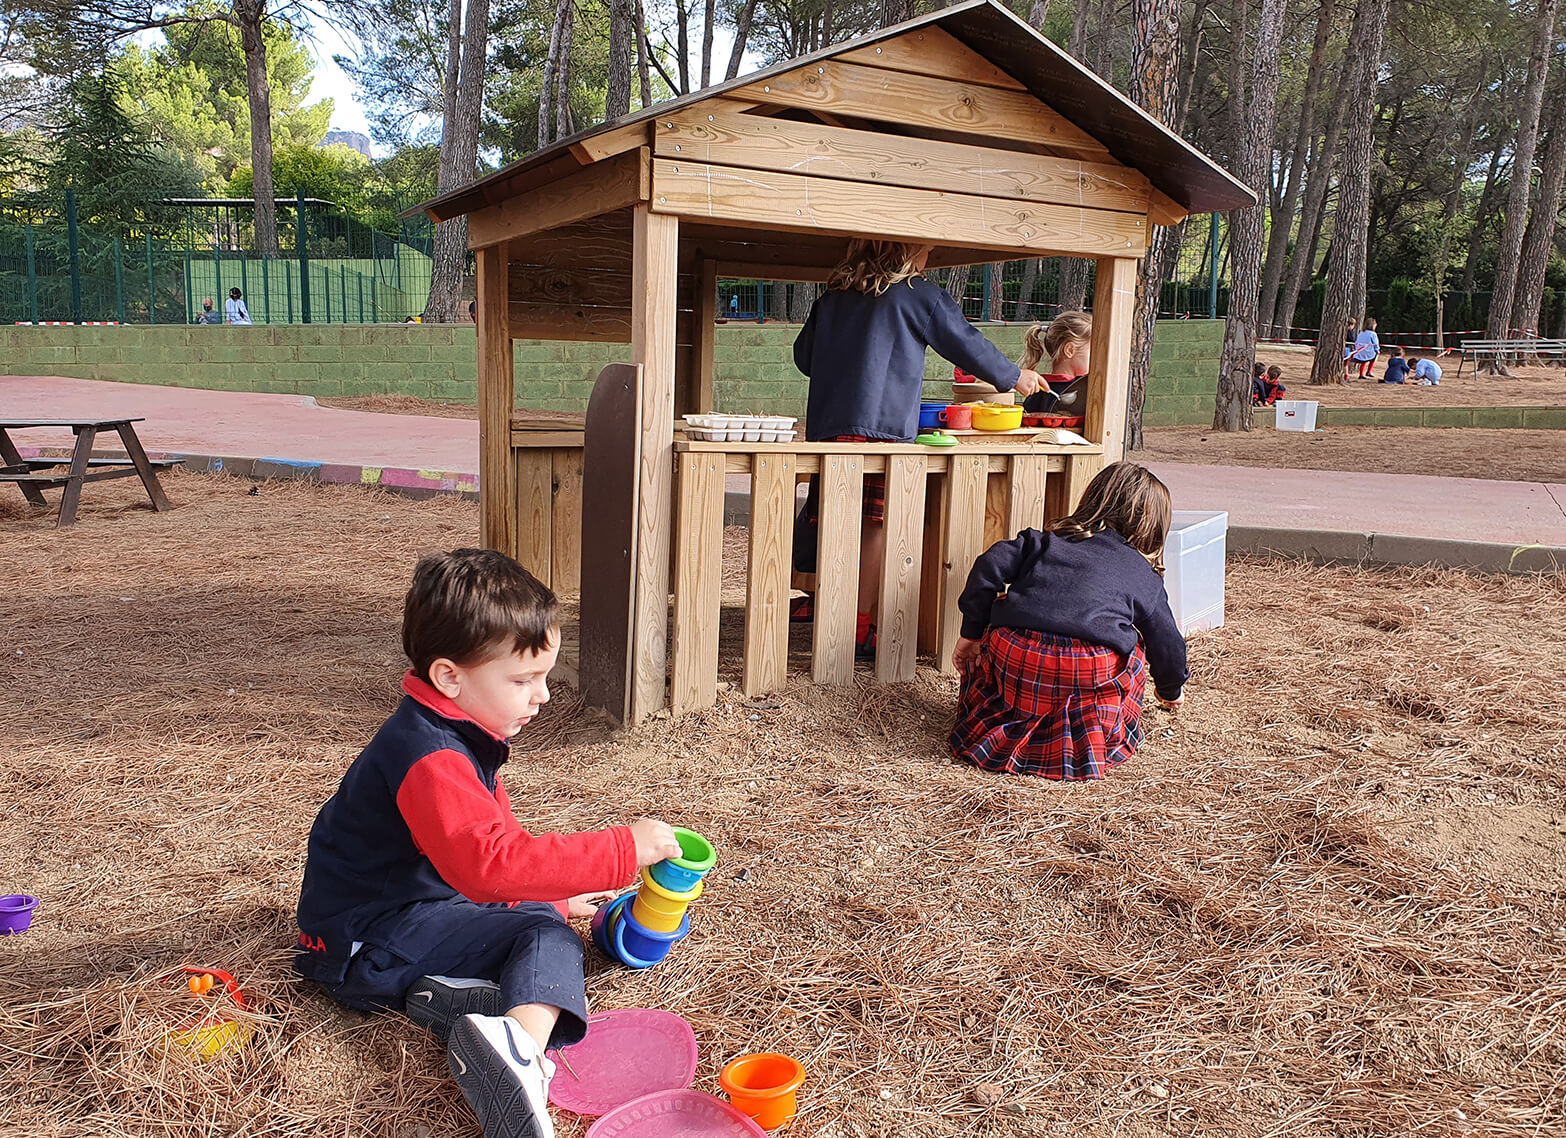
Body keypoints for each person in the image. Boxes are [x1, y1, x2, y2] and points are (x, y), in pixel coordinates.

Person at [295, 549, 683, 1138]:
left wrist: (552, 895)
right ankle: (517, 1049)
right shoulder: (431, 757)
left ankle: (446, 1000)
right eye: (524, 679)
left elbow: (489, 853)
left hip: (397, 919)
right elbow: (489, 866)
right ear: (450, 676)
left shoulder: (448, 732)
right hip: (366, 937)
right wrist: (620, 850)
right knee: (544, 938)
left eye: (544, 677)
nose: (544, 696)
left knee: (537, 916)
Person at [789, 240, 1046, 657]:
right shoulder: (919, 295)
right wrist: (1016, 376)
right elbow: (965, 342)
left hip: (830, 429)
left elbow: (805, 358)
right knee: (872, 527)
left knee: (834, 518)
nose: (930, 258)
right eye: (927, 250)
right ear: (906, 252)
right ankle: (857, 626)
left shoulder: (833, 298)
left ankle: (825, 601)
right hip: (883, 432)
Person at [949, 462, 1189, 780]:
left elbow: (989, 563)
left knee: (1003, 621)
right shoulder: (1143, 574)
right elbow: (1167, 642)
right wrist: (1171, 689)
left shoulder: (1042, 542)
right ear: (1150, 526)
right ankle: (1086, 736)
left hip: (1020, 659)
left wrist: (972, 632)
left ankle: (1006, 724)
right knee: (1135, 645)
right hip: (1087, 672)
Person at [1019, 311, 1091, 415]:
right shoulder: (1083, 391)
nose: (1097, 360)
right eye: (1092, 353)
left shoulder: (1037, 391)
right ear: (1070, 350)